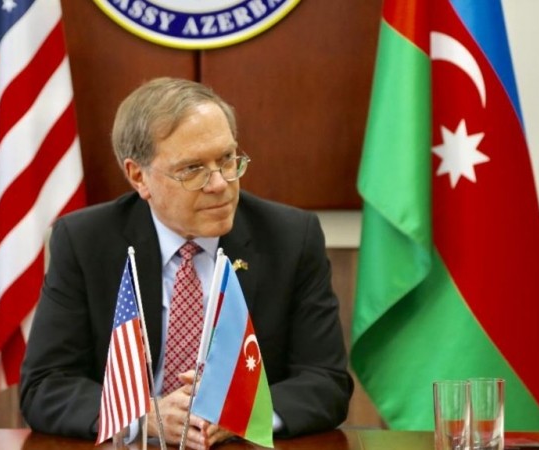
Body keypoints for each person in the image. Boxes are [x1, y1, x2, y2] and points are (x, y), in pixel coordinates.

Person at [19, 77, 354, 449]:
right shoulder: (85, 242)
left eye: (227, 159)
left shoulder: (290, 237)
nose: (220, 184)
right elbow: (45, 385)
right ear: (138, 176)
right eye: (193, 169)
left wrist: (244, 412)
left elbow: (326, 382)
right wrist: (142, 417)